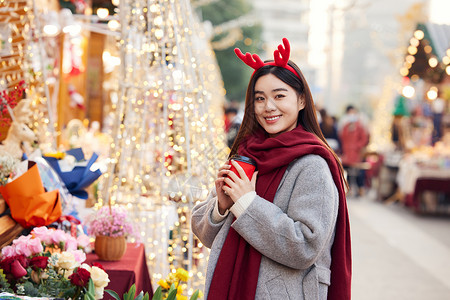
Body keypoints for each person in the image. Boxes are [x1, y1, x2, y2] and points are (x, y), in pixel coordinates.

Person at [191, 38, 351, 300]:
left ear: (301, 100)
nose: (269, 107)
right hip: (230, 287)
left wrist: (246, 204)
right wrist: (220, 207)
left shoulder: (313, 165)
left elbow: (305, 247)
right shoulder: (247, 155)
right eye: (260, 98)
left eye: (279, 96)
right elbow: (205, 236)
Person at [338, 105, 370, 196]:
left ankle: (360, 188)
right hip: (347, 153)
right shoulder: (345, 126)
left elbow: (364, 139)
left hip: (356, 154)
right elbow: (342, 137)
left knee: (358, 171)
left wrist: (356, 146)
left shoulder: (360, 127)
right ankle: (348, 188)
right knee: (346, 170)